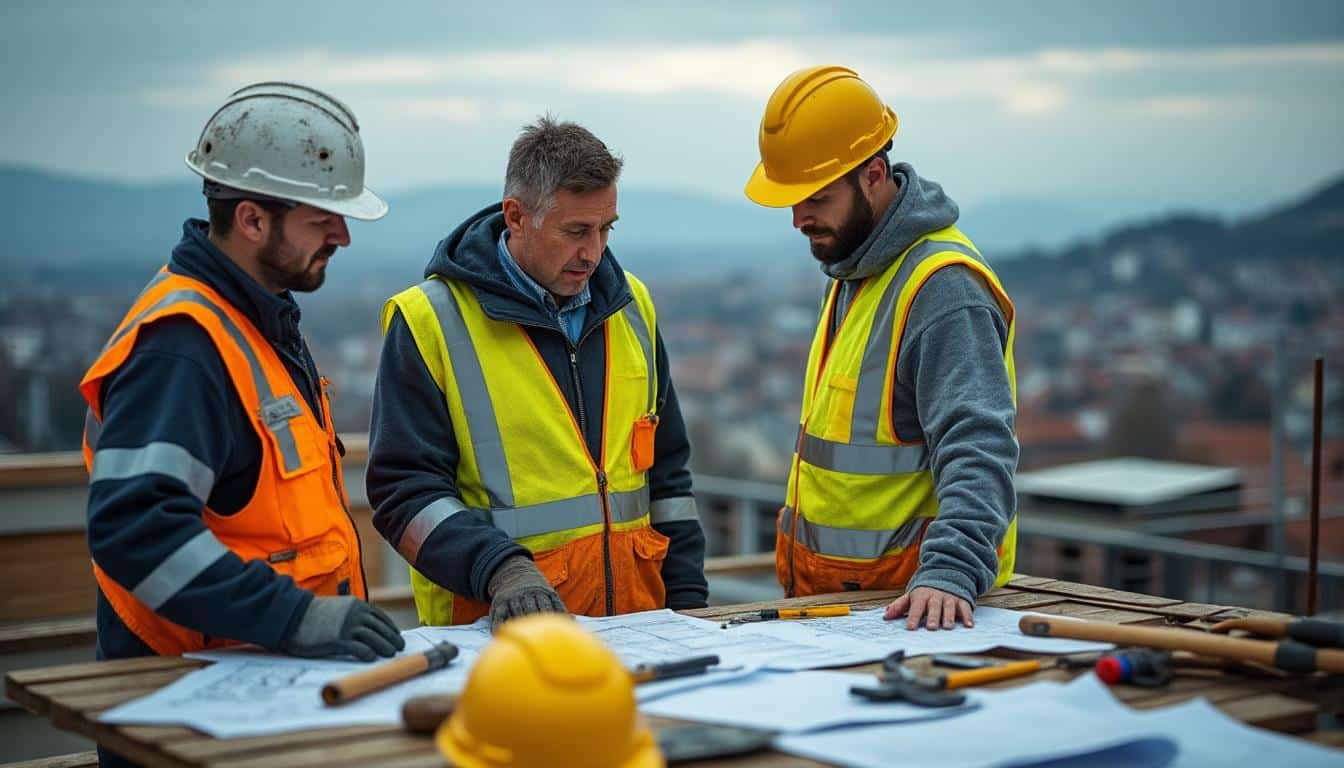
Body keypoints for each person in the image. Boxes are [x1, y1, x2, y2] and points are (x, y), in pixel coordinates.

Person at [80, 82, 404, 696]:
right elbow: (135, 531)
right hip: (188, 708)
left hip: (260, 687)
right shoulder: (182, 347)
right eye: (322, 219)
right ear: (253, 219)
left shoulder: (257, 320)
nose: (342, 236)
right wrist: (294, 618)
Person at [368, 116, 707, 628]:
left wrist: (689, 608)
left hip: (643, 633)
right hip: (496, 639)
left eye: (605, 229)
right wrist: (500, 569)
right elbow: (404, 494)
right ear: (516, 216)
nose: (593, 252)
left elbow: (669, 478)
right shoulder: (430, 322)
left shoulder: (632, 306)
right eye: (576, 231)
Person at [744, 66, 1019, 631]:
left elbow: (980, 445)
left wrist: (950, 572)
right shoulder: (856, 269)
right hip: (844, 612)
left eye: (815, 198)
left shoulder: (943, 289)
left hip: (920, 616)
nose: (798, 219)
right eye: (791, 202)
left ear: (873, 175)